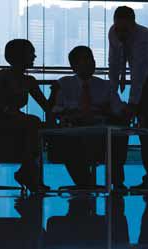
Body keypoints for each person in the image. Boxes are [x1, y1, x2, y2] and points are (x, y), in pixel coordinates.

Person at [108, 6, 148, 190]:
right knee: (145, 127)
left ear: (133, 24)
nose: (120, 34)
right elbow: (114, 63)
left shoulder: (144, 40)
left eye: (125, 30)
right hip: (146, 79)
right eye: (118, 28)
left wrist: (132, 105)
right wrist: (111, 94)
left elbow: (139, 76)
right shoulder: (113, 33)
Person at [51, 46, 129, 190]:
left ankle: (114, 183)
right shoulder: (64, 84)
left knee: (117, 135)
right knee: (71, 142)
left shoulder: (105, 85)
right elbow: (56, 109)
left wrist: (108, 111)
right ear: (74, 65)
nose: (91, 63)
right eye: (85, 59)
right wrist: (73, 112)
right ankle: (86, 185)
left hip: (101, 132)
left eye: (91, 59)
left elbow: (119, 111)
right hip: (75, 131)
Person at [0, 39, 52, 193]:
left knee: (35, 125)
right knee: (33, 122)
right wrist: (7, 109)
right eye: (31, 53)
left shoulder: (30, 81)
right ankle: (29, 176)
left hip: (15, 120)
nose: (34, 56)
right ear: (20, 56)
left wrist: (55, 93)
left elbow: (46, 106)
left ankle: (29, 174)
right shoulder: (5, 75)